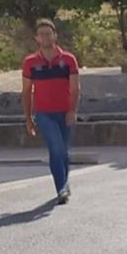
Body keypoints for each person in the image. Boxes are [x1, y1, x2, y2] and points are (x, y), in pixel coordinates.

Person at [22, 18, 80, 205]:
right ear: (36, 38)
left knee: (64, 151)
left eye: (48, 33)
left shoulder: (68, 59)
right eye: (42, 34)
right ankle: (61, 188)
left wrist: (72, 111)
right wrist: (28, 118)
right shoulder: (30, 62)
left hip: (65, 111)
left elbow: (75, 88)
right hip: (44, 114)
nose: (45, 37)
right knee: (56, 147)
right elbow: (26, 91)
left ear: (55, 36)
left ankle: (64, 182)